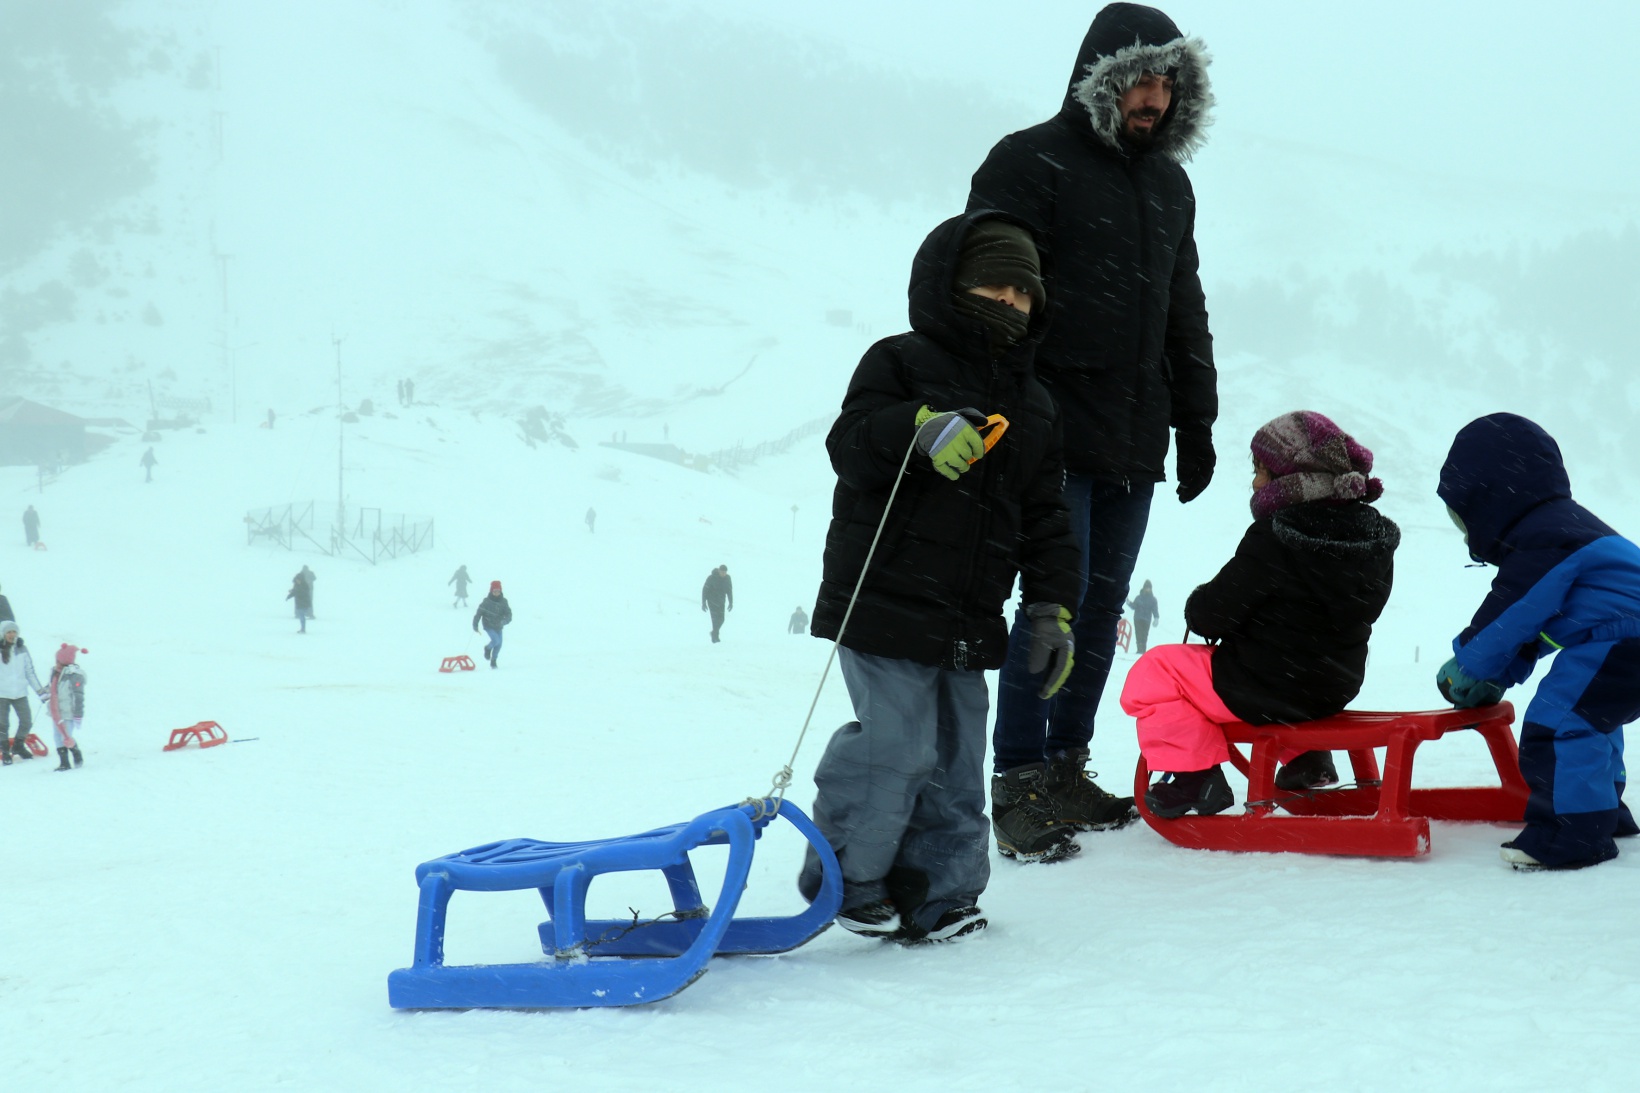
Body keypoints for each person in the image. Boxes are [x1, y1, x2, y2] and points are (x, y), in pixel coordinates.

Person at [796, 211, 1081, 944]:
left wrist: (1051, 607)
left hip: (969, 617)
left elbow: (1046, 516)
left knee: (954, 763)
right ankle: (848, 875)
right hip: (884, 599)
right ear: (950, 284)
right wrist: (917, 430)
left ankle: (940, 891)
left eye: (1024, 294)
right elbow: (850, 443)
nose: (1009, 305)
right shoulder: (897, 361)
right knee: (896, 747)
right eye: (994, 285)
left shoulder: (1037, 405)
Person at [969, 2, 1218, 841]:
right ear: (1106, 79)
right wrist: (1005, 405)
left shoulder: (1170, 185)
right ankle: (1019, 780)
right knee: (1054, 603)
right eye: (1142, 80)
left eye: (1167, 83)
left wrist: (1198, 418)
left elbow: (1185, 307)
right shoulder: (1029, 161)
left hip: (1134, 434)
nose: (1155, 98)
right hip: (1047, 431)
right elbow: (987, 296)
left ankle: (1067, 767)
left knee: (1102, 606)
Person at [1120, 412, 1399, 816]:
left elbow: (1218, 610)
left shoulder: (1277, 535)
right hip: (1335, 684)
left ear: (1290, 475)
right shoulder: (1373, 536)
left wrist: (1196, 607)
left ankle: (1193, 777)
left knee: (1157, 671)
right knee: (1283, 669)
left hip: (1265, 686)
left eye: (1260, 470)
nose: (1255, 482)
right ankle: (1307, 759)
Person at [1434, 414, 1640, 871]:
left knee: (1558, 724)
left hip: (1625, 637)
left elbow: (1513, 613)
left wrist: (1469, 665)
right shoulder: (1566, 525)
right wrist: (1503, 672)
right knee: (1591, 721)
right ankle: (1601, 813)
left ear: (1485, 498)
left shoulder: (1544, 537)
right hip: (1619, 635)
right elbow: (1544, 627)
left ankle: (1571, 834)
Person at [0, 621, 47, 765]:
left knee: (26, 721)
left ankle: (18, 746)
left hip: (20, 693)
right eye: (9, 632)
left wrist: (40, 691)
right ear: (3, 634)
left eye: (14, 632)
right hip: (2, 694)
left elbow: (29, 672)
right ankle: (6, 752)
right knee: (2, 725)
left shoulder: (22, 649)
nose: (12, 635)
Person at [45, 643, 86, 772]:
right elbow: (52, 688)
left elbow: (78, 696)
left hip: (68, 712)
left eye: (60, 662)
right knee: (57, 736)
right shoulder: (55, 673)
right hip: (56, 711)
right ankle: (64, 762)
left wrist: (78, 714)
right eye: (56, 661)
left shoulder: (74, 676)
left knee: (66, 736)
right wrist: (44, 693)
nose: (57, 664)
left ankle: (75, 751)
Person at [473, 580, 512, 668]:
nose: (496, 593)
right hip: (489, 625)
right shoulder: (486, 602)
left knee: (499, 644)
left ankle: (493, 660)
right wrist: (475, 624)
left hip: (499, 626)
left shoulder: (504, 602)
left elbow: (509, 614)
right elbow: (478, 613)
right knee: (495, 640)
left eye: (498, 591)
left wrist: (504, 621)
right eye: (494, 591)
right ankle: (487, 648)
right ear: (491, 591)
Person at [1127, 580, 1160, 653]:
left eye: (1149, 588)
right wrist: (1129, 602)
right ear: (1144, 588)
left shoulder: (1153, 600)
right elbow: (1134, 606)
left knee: (1144, 635)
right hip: (1138, 619)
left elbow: (1155, 609)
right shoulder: (1139, 598)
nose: (1148, 589)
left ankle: (1143, 650)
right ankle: (1139, 650)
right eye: (1146, 587)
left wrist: (1156, 618)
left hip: (1147, 620)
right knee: (1138, 634)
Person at [702, 565, 733, 643]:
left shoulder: (727, 578)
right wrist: (703, 602)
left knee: (722, 619)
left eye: (725, 572)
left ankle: (714, 633)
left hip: (721, 601)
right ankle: (715, 638)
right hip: (712, 601)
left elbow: (729, 591)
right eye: (722, 572)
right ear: (719, 571)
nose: (723, 574)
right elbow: (705, 590)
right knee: (715, 620)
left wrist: (731, 602)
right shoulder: (711, 578)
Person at [286, 566, 315, 633]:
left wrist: (295, 592)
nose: (297, 581)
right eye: (297, 580)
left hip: (304, 601)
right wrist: (289, 595)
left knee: (302, 615)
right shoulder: (297, 584)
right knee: (301, 614)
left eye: (298, 580)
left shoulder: (305, 585)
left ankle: (303, 628)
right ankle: (302, 626)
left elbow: (302, 592)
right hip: (299, 602)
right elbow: (295, 591)